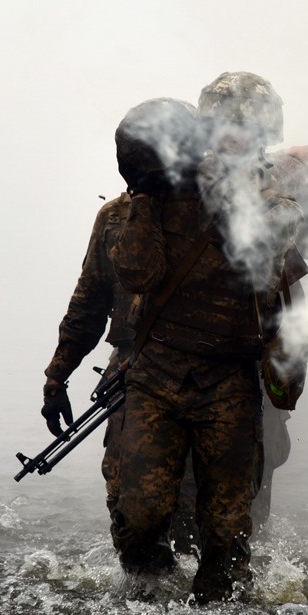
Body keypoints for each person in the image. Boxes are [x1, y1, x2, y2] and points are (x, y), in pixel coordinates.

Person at [108, 71, 304, 602]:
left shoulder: (276, 195)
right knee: (144, 512)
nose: (230, 140)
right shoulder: (167, 188)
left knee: (230, 524)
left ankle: (220, 607)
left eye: (244, 130)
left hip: (231, 377)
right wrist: (149, 194)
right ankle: (148, 597)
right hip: (161, 372)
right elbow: (133, 275)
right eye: (219, 129)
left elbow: (272, 250)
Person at [39, 98, 202, 550]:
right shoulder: (115, 217)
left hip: (210, 375)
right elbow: (88, 304)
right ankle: (147, 605)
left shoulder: (221, 214)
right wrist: (57, 375)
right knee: (134, 509)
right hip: (134, 373)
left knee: (206, 512)